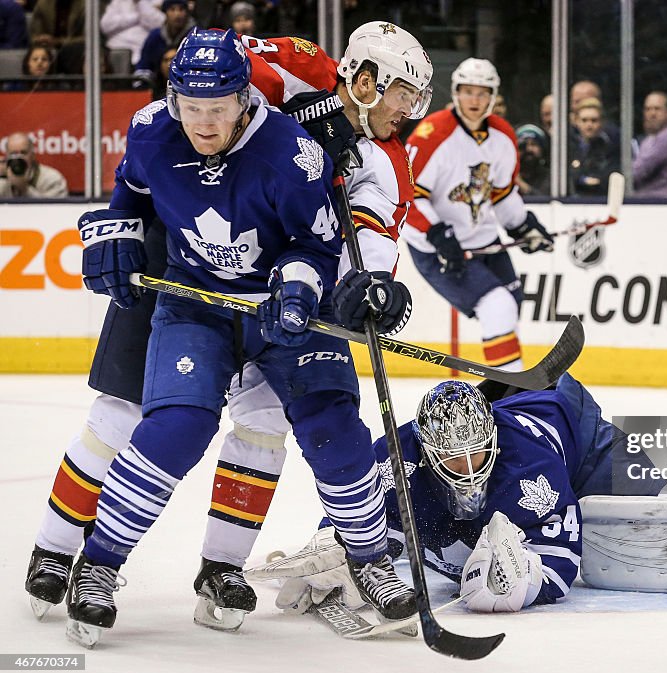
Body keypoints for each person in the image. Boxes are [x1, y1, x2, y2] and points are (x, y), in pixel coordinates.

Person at [26, 22, 434, 639]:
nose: (410, 111)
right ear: (367, 79)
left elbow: (361, 242)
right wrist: (119, 230)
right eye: (404, 93)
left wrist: (361, 289)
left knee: (271, 425)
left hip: (280, 277)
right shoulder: (295, 68)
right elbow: (198, 94)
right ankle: (60, 549)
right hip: (177, 252)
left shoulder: (379, 160)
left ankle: (225, 567)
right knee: (128, 415)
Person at [254, 375, 665, 615]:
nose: (470, 471)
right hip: (514, 440)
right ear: (428, 451)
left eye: (478, 454)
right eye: (454, 459)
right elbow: (360, 514)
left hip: (582, 441)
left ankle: (525, 387)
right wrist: (341, 548)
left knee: (646, 498)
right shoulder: (397, 458)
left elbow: (562, 563)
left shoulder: (531, 467)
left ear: (493, 439)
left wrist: (526, 582)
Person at [404, 58, 554, 372]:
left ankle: (506, 382)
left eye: (482, 93)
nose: (475, 100)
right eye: (468, 91)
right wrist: (436, 233)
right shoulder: (431, 135)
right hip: (437, 248)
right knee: (496, 305)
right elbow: (407, 194)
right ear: (456, 93)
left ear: (493, 96)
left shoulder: (503, 136)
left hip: (484, 239)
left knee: (510, 306)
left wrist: (522, 225)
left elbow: (501, 193)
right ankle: (510, 392)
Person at [569, 97, 618, 196]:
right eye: (584, 120)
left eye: (594, 120)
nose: (589, 125)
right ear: (576, 122)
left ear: (602, 122)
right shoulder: (569, 147)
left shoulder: (611, 147)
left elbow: (607, 179)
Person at [0, 131, 68, 197]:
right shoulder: (2, 180)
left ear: (32, 155)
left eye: (23, 153)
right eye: (14, 154)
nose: (19, 158)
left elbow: (53, 207)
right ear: (6, 157)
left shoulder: (52, 179)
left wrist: (24, 188)